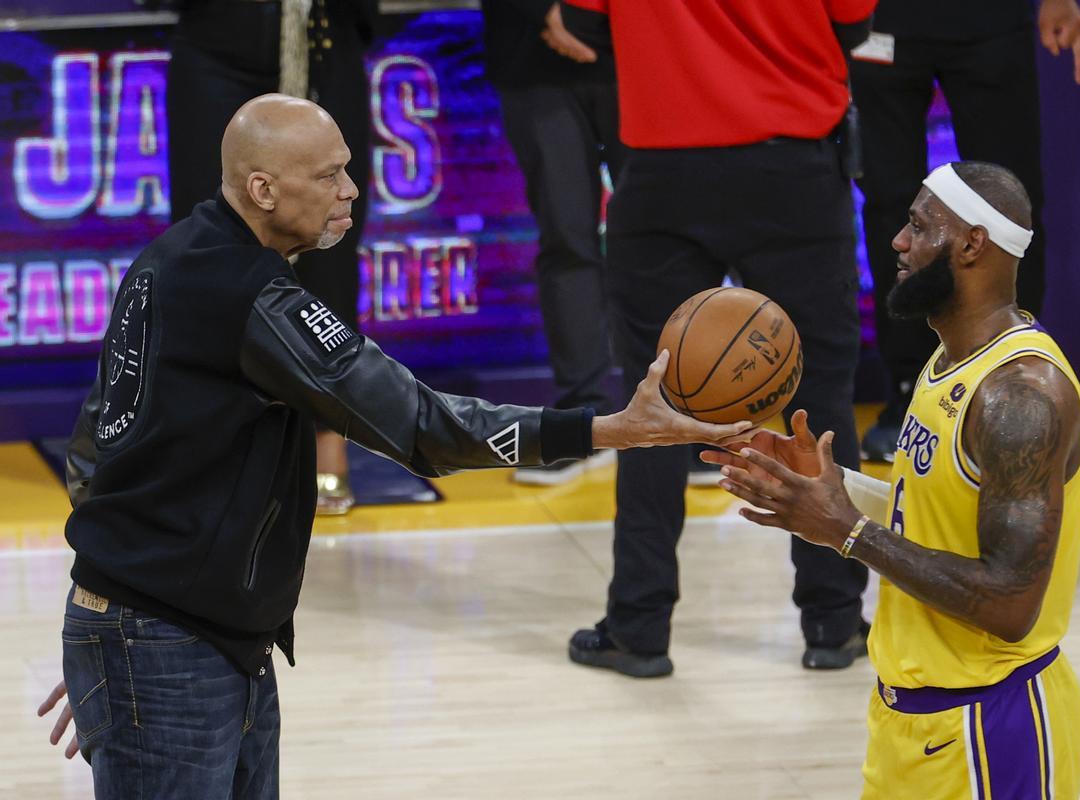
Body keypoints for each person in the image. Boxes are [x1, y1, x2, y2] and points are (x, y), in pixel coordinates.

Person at [35, 95, 752, 798]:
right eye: (328, 176)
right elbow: (423, 425)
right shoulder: (256, 298)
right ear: (262, 189)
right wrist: (606, 429)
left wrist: (112, 626)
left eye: (348, 168)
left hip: (184, 638)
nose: (351, 190)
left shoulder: (170, 256)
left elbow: (94, 448)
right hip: (171, 644)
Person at [706, 162, 1080, 797]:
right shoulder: (949, 358)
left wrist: (847, 531)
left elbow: (1011, 603)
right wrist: (829, 490)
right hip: (909, 720)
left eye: (918, 225)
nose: (898, 241)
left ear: (972, 244)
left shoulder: (1020, 396)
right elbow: (938, 514)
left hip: (990, 727)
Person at [552, 0, 876, 677]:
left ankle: (639, 627)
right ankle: (834, 621)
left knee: (652, 408)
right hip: (794, 168)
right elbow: (856, 25)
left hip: (661, 170)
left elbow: (578, 26)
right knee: (818, 396)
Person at [852, 0, 1080, 462]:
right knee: (892, 210)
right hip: (878, 18)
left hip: (989, 17)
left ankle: (1019, 380)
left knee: (1010, 209)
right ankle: (908, 392)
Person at [167, 0, 378, 513]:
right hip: (218, 45)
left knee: (331, 235)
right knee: (213, 247)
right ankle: (210, 442)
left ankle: (328, 439)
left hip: (324, 43)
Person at [480, 0, 624, 486]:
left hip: (647, 47)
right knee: (567, 240)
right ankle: (585, 423)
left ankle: (686, 415)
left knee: (665, 240)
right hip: (532, 53)